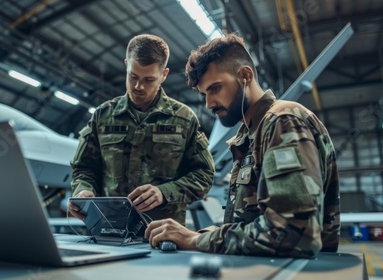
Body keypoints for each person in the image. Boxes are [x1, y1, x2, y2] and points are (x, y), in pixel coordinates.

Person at [145, 33, 340, 258]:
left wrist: (195, 240)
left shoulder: (283, 121)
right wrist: (197, 234)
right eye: (204, 94)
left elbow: (292, 233)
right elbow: (251, 222)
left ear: (245, 75)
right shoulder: (251, 135)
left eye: (215, 88)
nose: (208, 104)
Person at [69, 34, 215, 225]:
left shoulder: (184, 118)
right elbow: (84, 168)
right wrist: (83, 190)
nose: (138, 86)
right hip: (109, 228)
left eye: (148, 80)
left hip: (163, 233)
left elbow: (204, 175)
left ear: (164, 75)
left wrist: (165, 192)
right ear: (126, 65)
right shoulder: (102, 116)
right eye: (133, 76)